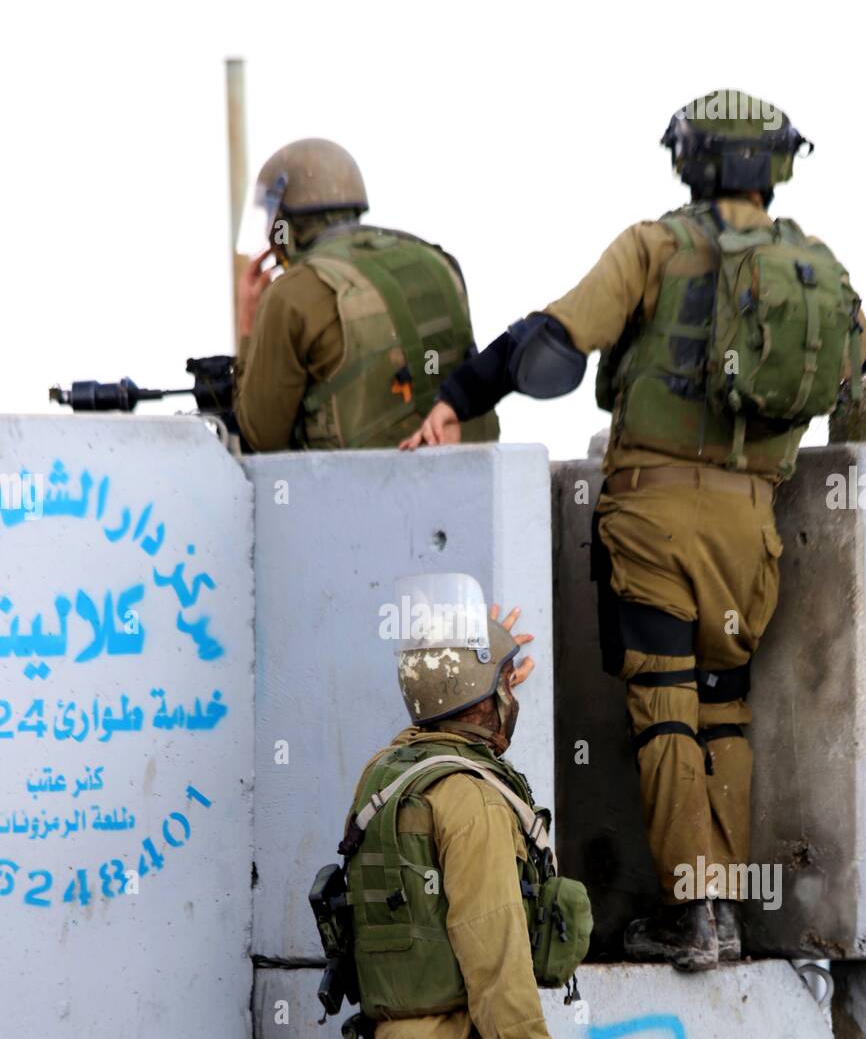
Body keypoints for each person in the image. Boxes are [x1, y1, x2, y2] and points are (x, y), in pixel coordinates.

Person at [402, 91, 866, 972]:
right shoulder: (819, 272)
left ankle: (690, 913)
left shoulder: (657, 247)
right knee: (726, 707)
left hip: (654, 519)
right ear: (777, 167)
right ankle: (726, 911)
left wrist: (458, 399)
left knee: (666, 709)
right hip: (753, 531)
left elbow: (552, 337)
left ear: (688, 162)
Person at [335, 574, 591, 1039]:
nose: (511, 695)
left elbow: (459, 720)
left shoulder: (390, 777)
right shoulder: (469, 801)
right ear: (481, 702)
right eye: (502, 686)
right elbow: (495, 950)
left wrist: (489, 657)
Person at [233, 138, 499, 452]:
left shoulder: (292, 292)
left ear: (285, 220)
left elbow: (261, 437)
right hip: (471, 476)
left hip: (359, 490)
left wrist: (249, 326)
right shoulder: (435, 262)